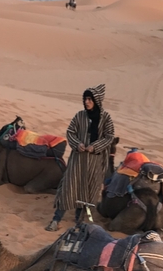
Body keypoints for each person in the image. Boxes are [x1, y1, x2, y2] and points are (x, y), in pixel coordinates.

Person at [45, 84, 115, 231]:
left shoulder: (106, 118)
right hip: (77, 160)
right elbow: (70, 132)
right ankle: (56, 220)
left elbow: (109, 137)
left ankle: (79, 222)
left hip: (94, 162)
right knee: (68, 188)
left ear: (96, 100)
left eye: (90, 99)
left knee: (86, 192)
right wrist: (77, 144)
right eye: (85, 99)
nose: (87, 102)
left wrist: (95, 146)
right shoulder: (79, 116)